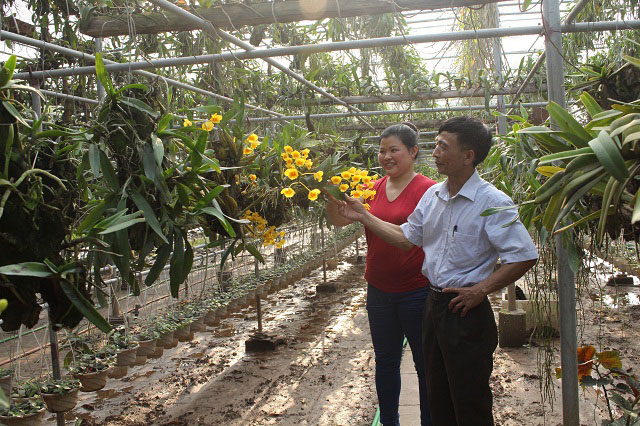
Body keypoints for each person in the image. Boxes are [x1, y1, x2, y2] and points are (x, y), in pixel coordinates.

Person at [331, 116, 538, 426]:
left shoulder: (492, 202)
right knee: (437, 391)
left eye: (443, 146)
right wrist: (364, 216)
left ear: (468, 156)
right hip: (433, 304)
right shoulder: (434, 197)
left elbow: (524, 255)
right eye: (436, 145)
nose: (436, 152)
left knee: (468, 400)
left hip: (465, 309)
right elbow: (405, 238)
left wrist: (481, 290)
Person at [327, 122, 435, 426]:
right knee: (386, 362)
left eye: (394, 150)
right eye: (381, 150)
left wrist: (364, 216)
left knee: (424, 363)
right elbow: (339, 221)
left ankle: (429, 420)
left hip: (417, 289)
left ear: (413, 152)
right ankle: (390, 421)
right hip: (379, 291)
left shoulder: (428, 190)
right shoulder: (369, 188)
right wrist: (330, 199)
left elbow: (412, 236)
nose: (386, 156)